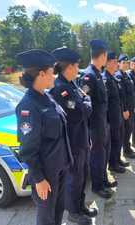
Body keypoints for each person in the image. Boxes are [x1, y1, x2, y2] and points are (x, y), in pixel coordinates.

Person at [15, 49, 74, 225]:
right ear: (41, 74)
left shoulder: (47, 97)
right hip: (46, 174)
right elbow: (27, 149)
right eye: (51, 73)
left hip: (60, 166)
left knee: (58, 210)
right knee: (46, 217)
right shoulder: (28, 106)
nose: (54, 77)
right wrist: (39, 179)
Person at [50, 47, 97, 225]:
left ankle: (81, 205)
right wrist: (86, 102)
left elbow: (83, 107)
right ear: (69, 67)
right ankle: (73, 212)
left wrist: (84, 103)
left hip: (82, 139)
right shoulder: (60, 89)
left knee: (83, 176)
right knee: (74, 179)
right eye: (77, 66)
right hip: (73, 143)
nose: (79, 69)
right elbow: (79, 113)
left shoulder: (72, 84)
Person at [80, 39, 116, 199]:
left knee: (104, 152)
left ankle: (103, 179)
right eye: (106, 55)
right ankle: (97, 186)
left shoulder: (98, 74)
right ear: (102, 55)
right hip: (95, 125)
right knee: (97, 154)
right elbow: (84, 99)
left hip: (103, 122)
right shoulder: (89, 76)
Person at [103, 52, 129, 174]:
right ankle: (113, 164)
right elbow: (106, 102)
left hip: (118, 115)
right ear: (107, 63)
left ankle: (117, 160)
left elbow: (119, 97)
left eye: (116, 61)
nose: (116, 64)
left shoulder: (113, 77)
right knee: (114, 141)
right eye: (114, 62)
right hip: (111, 118)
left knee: (119, 139)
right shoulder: (105, 78)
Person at [115, 54, 135, 159]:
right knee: (126, 130)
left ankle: (128, 148)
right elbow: (121, 95)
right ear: (118, 64)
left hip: (130, 107)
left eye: (126, 63)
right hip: (125, 110)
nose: (125, 65)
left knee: (129, 129)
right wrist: (124, 109)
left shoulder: (126, 75)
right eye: (123, 63)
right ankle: (125, 151)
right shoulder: (118, 76)